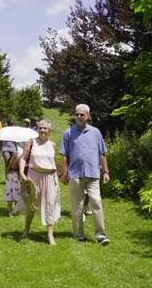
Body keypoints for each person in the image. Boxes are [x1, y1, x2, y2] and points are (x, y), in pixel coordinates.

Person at [59, 104, 110, 246]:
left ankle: (100, 235)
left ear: (88, 115)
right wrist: (64, 173)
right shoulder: (68, 133)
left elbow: (102, 153)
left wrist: (105, 171)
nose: (79, 117)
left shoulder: (96, 132)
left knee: (97, 202)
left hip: (93, 174)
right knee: (77, 206)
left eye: (82, 114)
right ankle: (78, 234)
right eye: (77, 114)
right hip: (75, 174)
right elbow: (64, 156)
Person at [19, 120, 61, 245]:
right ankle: (26, 229)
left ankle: (50, 235)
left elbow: (56, 162)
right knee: (31, 205)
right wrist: (22, 173)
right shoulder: (31, 142)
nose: (43, 130)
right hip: (33, 177)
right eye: (40, 128)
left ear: (49, 131)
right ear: (37, 129)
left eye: (45, 128)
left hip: (49, 177)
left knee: (50, 205)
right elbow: (23, 158)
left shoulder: (53, 145)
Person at [1, 119, 21, 216]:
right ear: (7, 123)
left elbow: (18, 141)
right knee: (9, 164)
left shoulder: (15, 131)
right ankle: (8, 173)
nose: (11, 124)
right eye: (10, 123)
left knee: (15, 166)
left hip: (14, 149)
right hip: (6, 148)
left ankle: (16, 209)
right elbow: (1, 140)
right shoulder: (4, 130)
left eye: (12, 123)